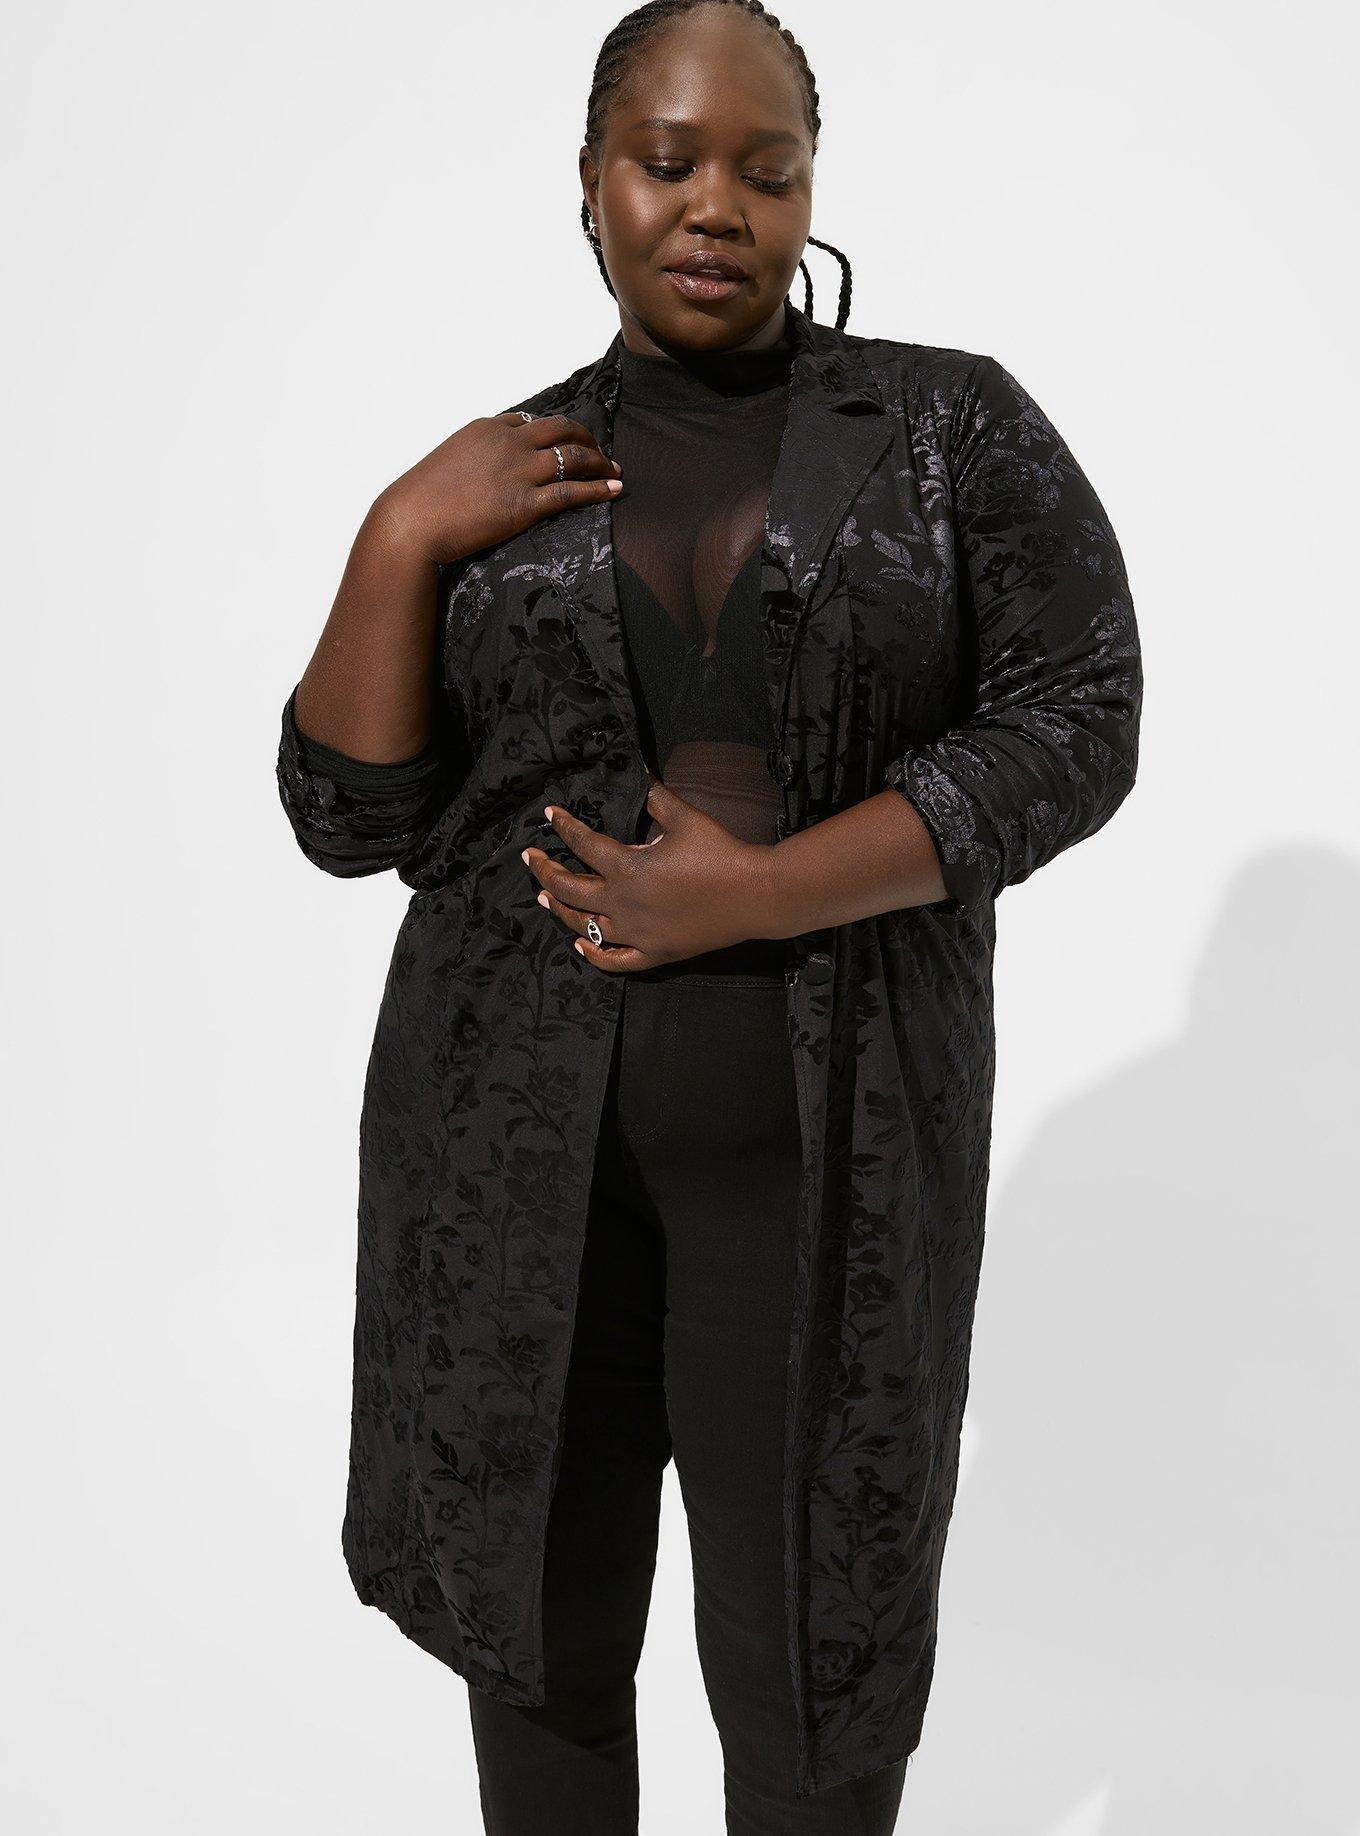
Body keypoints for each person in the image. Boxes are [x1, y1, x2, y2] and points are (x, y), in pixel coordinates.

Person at [275, 2, 1144, 1832]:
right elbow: (351, 819)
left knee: (809, 1674)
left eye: (769, 168)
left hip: (828, 1160)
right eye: (668, 162)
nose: (717, 206)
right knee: (541, 1647)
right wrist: (394, 534)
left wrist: (758, 892)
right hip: (515, 1166)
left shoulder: (947, 428)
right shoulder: (502, 476)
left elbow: (1077, 720)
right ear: (593, 183)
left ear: (814, 192)